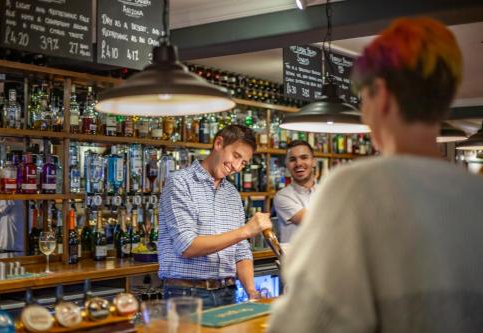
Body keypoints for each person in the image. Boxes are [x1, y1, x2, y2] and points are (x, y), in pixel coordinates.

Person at [268, 17, 483, 332]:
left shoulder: (356, 187)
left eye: (363, 99)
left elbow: (310, 322)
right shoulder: (474, 193)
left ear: (380, 95)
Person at [158, 124, 272, 309]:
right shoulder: (180, 182)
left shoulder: (232, 193)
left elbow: (241, 252)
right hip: (187, 294)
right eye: (236, 156)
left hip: (228, 292)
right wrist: (245, 231)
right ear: (219, 143)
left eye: (243, 163)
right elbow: (186, 245)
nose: (236, 166)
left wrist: (251, 291)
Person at [273, 140, 317, 243]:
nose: (298, 163)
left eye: (304, 157)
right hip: (296, 258)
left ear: (313, 161)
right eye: (293, 159)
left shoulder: (326, 190)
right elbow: (314, 221)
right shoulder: (282, 197)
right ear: (287, 164)